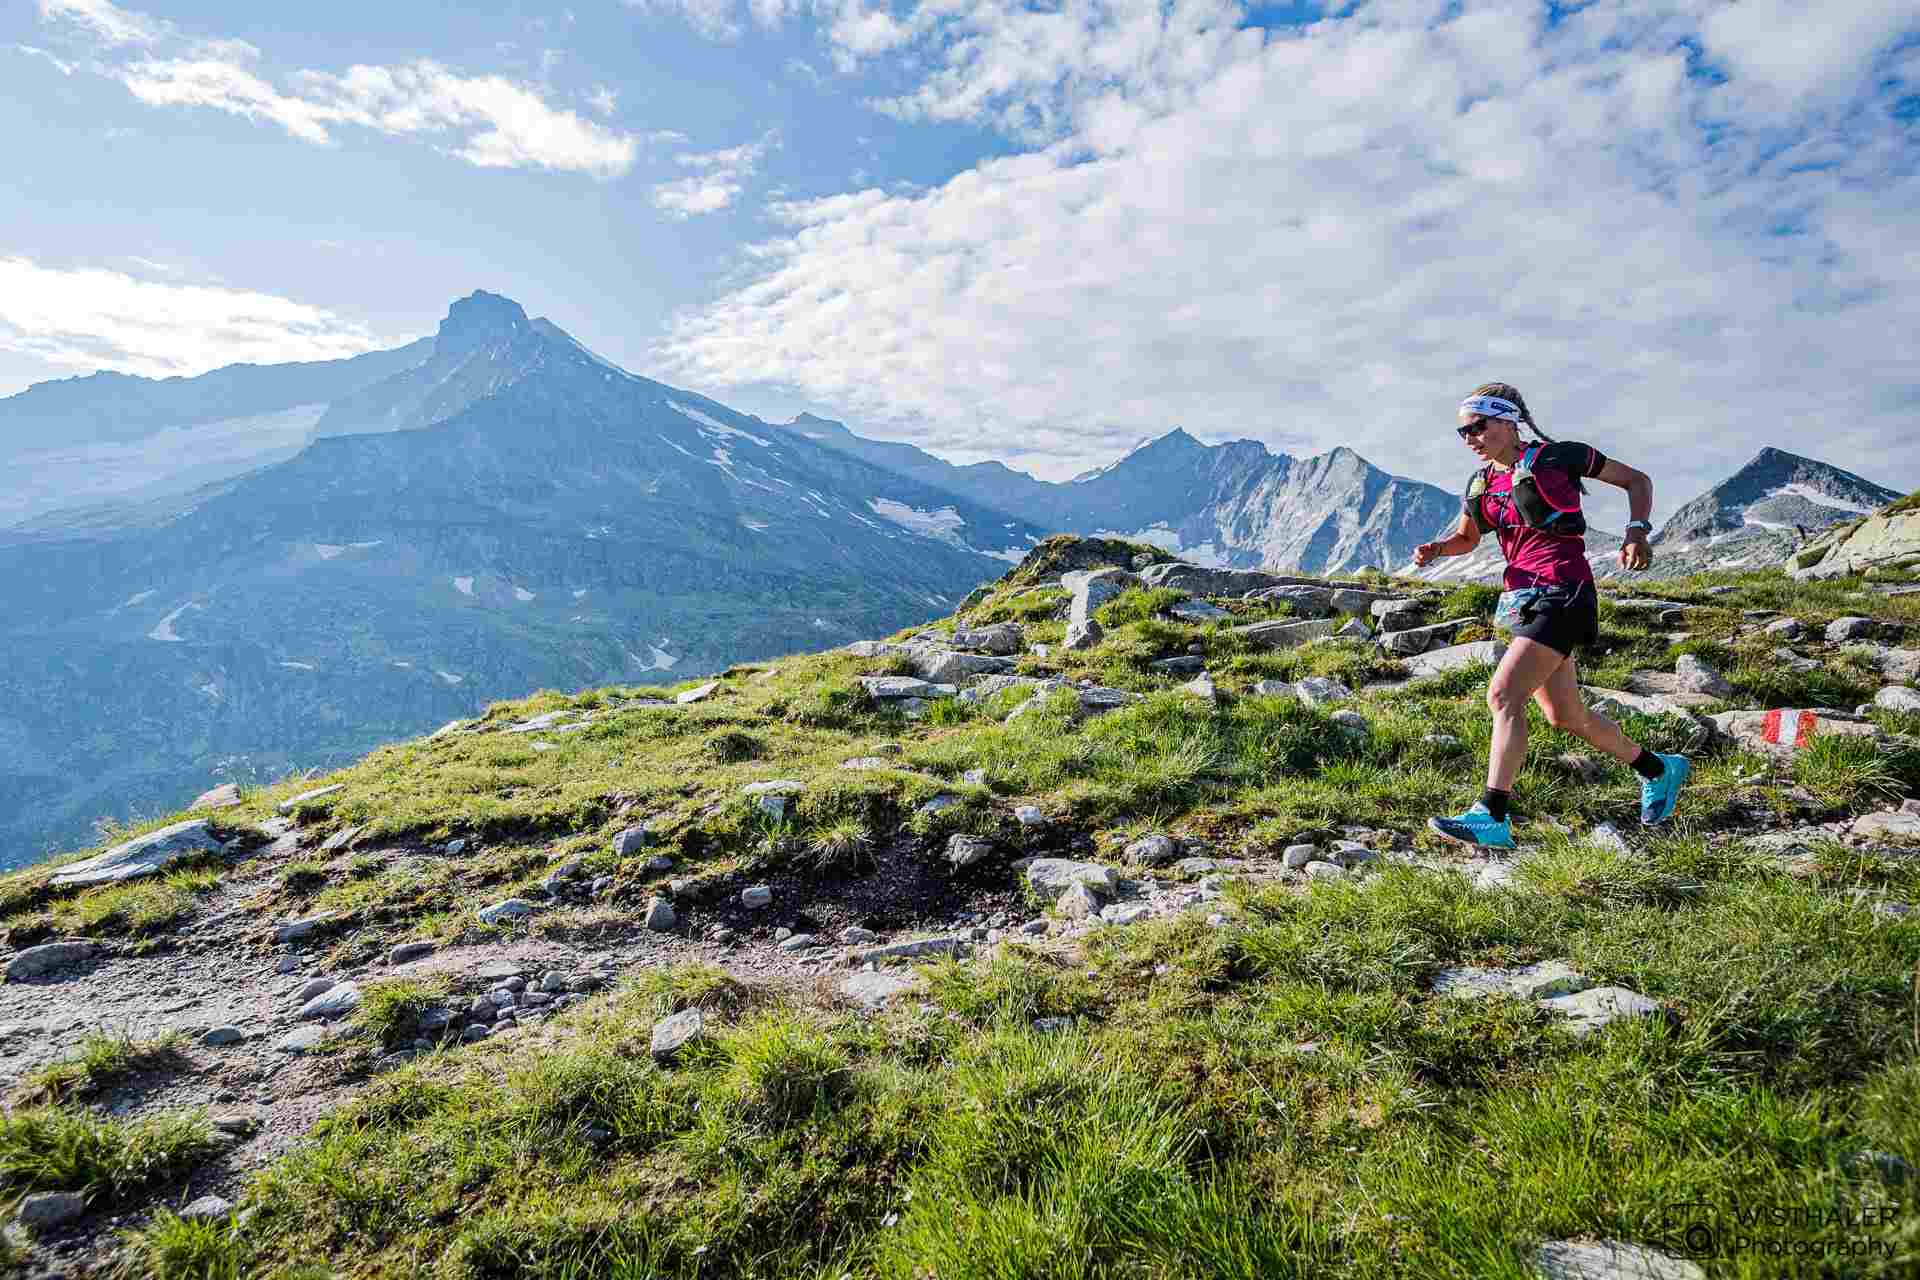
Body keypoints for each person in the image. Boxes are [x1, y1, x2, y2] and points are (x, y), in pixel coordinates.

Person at [1412, 382, 1689, 849]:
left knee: (1503, 695)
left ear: (1507, 421)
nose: (1470, 438)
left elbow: (1636, 480)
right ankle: (1659, 769)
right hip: (1522, 599)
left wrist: (1637, 531)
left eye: (1478, 427)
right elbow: (1467, 538)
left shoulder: (1560, 457)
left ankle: (1492, 815)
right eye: (1462, 432)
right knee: (1566, 716)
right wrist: (1438, 549)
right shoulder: (1482, 482)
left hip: (1566, 590)